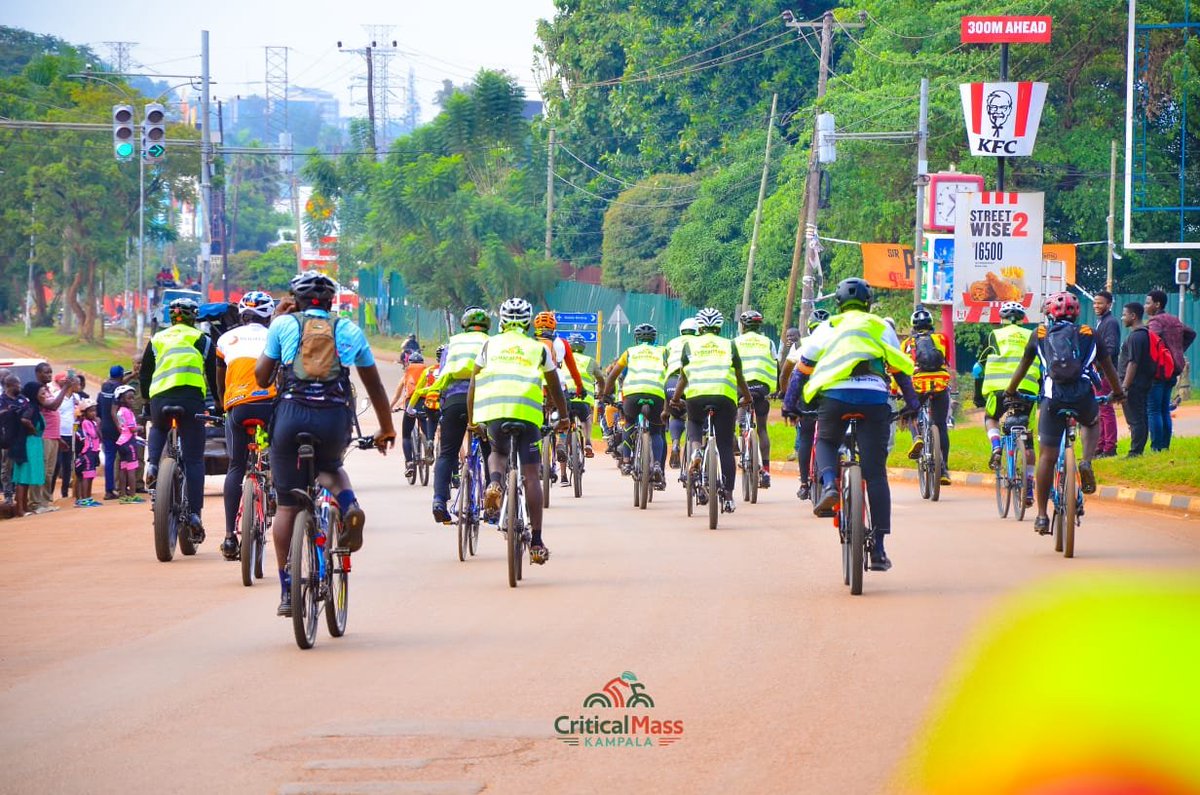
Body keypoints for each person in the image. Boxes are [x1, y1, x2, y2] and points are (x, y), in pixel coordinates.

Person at [255, 271, 396, 617]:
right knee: (332, 469)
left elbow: (260, 376)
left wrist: (278, 321)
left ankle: (288, 589)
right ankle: (348, 507)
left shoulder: (284, 325)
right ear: (331, 302)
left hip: (290, 416)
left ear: (295, 299)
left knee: (287, 505)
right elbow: (374, 384)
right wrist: (386, 428)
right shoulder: (348, 330)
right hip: (333, 418)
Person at [788, 278, 919, 572]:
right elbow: (898, 368)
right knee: (875, 475)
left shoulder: (827, 327)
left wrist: (789, 404)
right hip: (874, 399)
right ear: (868, 303)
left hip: (834, 398)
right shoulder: (880, 326)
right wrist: (912, 403)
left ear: (838, 303)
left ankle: (829, 485)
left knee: (825, 441)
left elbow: (802, 370)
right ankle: (880, 550)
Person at [1005, 291, 1125, 536]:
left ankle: (1040, 516)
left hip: (1053, 398)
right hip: (1082, 395)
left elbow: (1023, 367)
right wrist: (1118, 392)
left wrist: (1010, 391)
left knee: (1047, 457)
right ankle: (1086, 461)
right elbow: (1109, 367)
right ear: (1077, 312)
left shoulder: (1039, 335)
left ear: (1050, 312)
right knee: (1091, 422)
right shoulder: (1089, 333)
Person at [467, 297, 570, 565]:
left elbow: (473, 383)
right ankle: (536, 541)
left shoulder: (489, 345)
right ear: (527, 323)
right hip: (527, 414)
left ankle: (495, 483)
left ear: (501, 321)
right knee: (532, 475)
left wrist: (472, 419)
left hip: (494, 411)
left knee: (498, 451)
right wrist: (565, 417)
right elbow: (555, 385)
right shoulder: (538, 348)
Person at [140, 297, 219, 542]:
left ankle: (153, 465)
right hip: (191, 400)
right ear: (193, 318)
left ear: (170, 318)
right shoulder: (203, 340)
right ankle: (194, 514)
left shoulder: (156, 339)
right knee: (194, 460)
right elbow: (214, 375)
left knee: (159, 426)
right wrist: (219, 403)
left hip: (160, 398)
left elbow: (145, 373)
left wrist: (147, 403)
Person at [664, 308, 753, 515]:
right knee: (724, 446)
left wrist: (676, 399)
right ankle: (729, 496)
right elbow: (739, 376)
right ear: (719, 327)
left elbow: (683, 377)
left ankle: (695, 450)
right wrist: (747, 397)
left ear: (700, 328)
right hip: (724, 397)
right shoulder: (729, 345)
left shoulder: (689, 345)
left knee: (694, 422)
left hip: (696, 395)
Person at [214, 291, 278, 560]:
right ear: (269, 315)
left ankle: (230, 537)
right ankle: (273, 488)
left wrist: (224, 406)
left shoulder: (225, 339)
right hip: (270, 404)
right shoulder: (276, 335)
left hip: (237, 407)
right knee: (278, 451)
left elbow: (220, 380)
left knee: (236, 466)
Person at [423, 307, 492, 524]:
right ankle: (493, 504)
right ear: (487, 327)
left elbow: (443, 373)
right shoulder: (491, 343)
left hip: (453, 400)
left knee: (447, 453)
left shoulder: (453, 343)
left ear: (464, 325)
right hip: (482, 400)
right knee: (491, 451)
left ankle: (439, 501)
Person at [973, 301, 1040, 506]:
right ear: (1023, 319)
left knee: (991, 418)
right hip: (1028, 390)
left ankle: (996, 447)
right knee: (1026, 437)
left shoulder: (995, 335)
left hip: (1000, 389)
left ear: (1002, 318)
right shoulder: (1032, 335)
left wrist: (978, 395)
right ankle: (1029, 485)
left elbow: (978, 368)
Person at [602, 323, 668, 488]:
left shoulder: (630, 352)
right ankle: (658, 465)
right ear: (654, 338)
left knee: (630, 423)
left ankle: (625, 461)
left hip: (632, 393)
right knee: (656, 431)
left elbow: (612, 376)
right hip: (657, 393)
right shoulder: (663, 351)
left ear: (636, 339)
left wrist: (605, 394)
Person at [783, 308, 830, 499]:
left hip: (807, 398)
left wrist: (786, 395)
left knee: (805, 437)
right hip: (831, 396)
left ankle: (804, 483)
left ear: (809, 328)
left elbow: (786, 372)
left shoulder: (802, 344)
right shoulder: (836, 342)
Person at [902, 307, 952, 485]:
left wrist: (895, 391)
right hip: (940, 384)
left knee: (911, 413)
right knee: (941, 426)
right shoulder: (942, 339)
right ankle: (944, 469)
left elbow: (901, 369)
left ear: (913, 326)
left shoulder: (907, 343)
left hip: (918, 385)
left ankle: (917, 437)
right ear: (931, 324)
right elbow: (946, 361)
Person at [1144, 289, 1196, 451]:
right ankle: (1165, 447)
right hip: (1173, 369)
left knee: (1154, 410)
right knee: (1164, 409)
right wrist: (1178, 350)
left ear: (1157, 304)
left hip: (1159, 370)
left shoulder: (1155, 322)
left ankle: (1156, 448)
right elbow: (1191, 333)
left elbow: (1150, 342)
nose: (1145, 306)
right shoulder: (1173, 319)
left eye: (1148, 302)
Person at [733, 309, 778, 489]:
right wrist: (777, 389)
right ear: (759, 326)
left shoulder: (735, 342)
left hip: (742, 388)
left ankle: (740, 438)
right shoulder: (768, 342)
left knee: (739, 417)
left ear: (743, 326)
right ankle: (766, 469)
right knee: (762, 428)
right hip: (761, 389)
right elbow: (776, 364)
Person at [555, 334, 603, 486]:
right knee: (587, 418)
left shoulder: (561, 360)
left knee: (563, 427)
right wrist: (601, 393)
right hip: (583, 400)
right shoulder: (590, 361)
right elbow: (601, 379)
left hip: (564, 399)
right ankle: (588, 441)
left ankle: (562, 475)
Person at [30, 362, 76, 512]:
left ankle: (46, 501)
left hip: (53, 436)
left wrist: (58, 438)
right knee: (41, 470)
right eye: (45, 372)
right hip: (43, 436)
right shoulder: (38, 390)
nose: (49, 375)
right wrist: (64, 388)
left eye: (50, 372)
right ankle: (36, 502)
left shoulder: (47, 390)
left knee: (50, 472)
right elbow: (53, 406)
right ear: (37, 374)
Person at [1118, 302, 1154, 457]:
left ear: (1133, 316)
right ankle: (1137, 450)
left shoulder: (1136, 336)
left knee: (1135, 419)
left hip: (1134, 385)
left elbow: (1133, 363)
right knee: (1140, 417)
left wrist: (1124, 387)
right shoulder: (1143, 333)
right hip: (1141, 383)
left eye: (1124, 314)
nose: (1122, 318)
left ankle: (1135, 452)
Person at [664, 318, 699, 469]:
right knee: (696, 417)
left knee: (675, 414)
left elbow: (665, 364)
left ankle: (676, 444)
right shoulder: (699, 343)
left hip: (671, 382)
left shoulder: (671, 343)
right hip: (692, 380)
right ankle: (697, 448)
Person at [392, 351, 430, 481]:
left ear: (409, 363)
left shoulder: (406, 375)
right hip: (425, 405)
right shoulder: (427, 373)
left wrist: (390, 408)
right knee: (427, 431)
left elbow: (397, 396)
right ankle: (429, 446)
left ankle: (409, 464)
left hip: (411, 406)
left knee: (406, 435)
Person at [1091, 291, 1121, 457]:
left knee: (1106, 410)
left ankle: (1110, 448)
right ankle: (1100, 446)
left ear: (1109, 304)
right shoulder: (1101, 322)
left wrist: (1097, 363)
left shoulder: (1110, 323)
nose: (1096, 306)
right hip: (1098, 373)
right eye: (1095, 303)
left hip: (1105, 373)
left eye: (1100, 303)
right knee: (1100, 411)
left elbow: (1111, 348)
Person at [12, 381, 47, 516]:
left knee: (26, 476)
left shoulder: (34, 407)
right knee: (23, 476)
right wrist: (32, 430)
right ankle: (20, 509)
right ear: (34, 394)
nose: (44, 396)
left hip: (34, 443)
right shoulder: (31, 407)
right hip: (28, 443)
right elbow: (25, 420)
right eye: (42, 393)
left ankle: (24, 507)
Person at [532, 311, 586, 397]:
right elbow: (573, 369)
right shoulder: (563, 343)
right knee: (564, 408)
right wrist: (579, 386)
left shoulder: (529, 342)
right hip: (558, 386)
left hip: (535, 387)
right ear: (554, 327)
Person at [49, 372, 81, 500]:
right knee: (56, 464)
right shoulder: (57, 397)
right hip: (59, 434)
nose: (79, 386)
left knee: (68, 464)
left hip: (72, 433)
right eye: (77, 384)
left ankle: (65, 493)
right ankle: (49, 492)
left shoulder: (76, 397)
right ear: (71, 384)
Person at [97, 365, 128, 500]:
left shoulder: (102, 391)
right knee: (124, 458)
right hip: (119, 429)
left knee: (109, 459)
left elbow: (98, 413)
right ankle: (123, 489)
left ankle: (109, 490)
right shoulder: (120, 393)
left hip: (106, 428)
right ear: (121, 376)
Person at [113, 385, 143, 503]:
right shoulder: (127, 412)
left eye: (133, 398)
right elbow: (132, 429)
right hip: (129, 442)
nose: (132, 400)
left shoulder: (120, 411)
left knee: (123, 468)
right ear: (121, 400)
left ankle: (123, 495)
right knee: (132, 469)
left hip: (122, 441)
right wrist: (140, 427)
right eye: (129, 398)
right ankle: (133, 495)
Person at [73, 400, 102, 507]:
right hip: (88, 451)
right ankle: (84, 498)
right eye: (91, 411)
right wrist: (98, 424)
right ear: (84, 412)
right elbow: (94, 435)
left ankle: (88, 497)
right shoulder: (86, 422)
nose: (94, 413)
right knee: (87, 475)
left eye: (95, 411)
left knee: (91, 475)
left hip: (94, 451)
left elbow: (100, 437)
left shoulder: (92, 422)